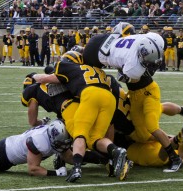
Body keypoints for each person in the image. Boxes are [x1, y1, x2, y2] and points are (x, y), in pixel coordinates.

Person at [82, 23, 183, 172]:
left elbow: (122, 27)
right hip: (94, 55)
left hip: (145, 89)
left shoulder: (151, 41)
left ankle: (176, 156)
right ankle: (180, 141)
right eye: (148, 62)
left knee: (150, 127)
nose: (151, 66)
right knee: (143, 133)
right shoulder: (132, 67)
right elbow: (125, 76)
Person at [33, 51, 130, 182]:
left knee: (80, 134)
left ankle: (77, 168)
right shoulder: (96, 70)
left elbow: (44, 79)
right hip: (110, 99)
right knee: (95, 138)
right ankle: (116, 150)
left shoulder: (67, 67)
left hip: (91, 95)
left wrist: (34, 76)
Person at [0, 120, 71, 176]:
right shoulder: (39, 141)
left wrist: (79, 161)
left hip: (6, 151)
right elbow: (33, 169)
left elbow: (68, 155)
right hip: (2, 154)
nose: (63, 146)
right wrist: (56, 173)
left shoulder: (48, 132)